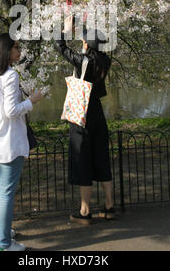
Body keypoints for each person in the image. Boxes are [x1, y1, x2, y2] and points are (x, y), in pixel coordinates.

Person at [0, 33, 43, 251]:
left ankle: (1, 233)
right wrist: (31, 101)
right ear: (6, 51)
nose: (19, 51)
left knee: (2, 190)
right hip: (8, 144)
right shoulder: (10, 76)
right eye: (16, 47)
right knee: (6, 193)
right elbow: (11, 112)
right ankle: (5, 244)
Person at [54, 16, 116, 225]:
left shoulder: (83, 61)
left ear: (87, 44)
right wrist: (80, 27)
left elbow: (60, 45)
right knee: (101, 156)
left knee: (82, 158)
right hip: (97, 111)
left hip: (82, 112)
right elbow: (91, 51)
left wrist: (64, 28)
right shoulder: (105, 60)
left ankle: (85, 210)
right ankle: (109, 207)